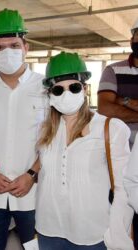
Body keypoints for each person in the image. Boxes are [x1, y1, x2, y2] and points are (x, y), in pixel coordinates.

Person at [36, 51, 133, 249]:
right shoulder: (44, 131)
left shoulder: (111, 128)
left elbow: (123, 189)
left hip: (92, 234)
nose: (66, 94)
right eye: (58, 90)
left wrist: (117, 233)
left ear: (85, 89)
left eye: (73, 87)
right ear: (49, 95)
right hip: (48, 230)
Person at [0, 8, 47, 249]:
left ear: (26, 48)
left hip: (34, 194)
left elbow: (55, 139)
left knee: (36, 247)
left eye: (14, 45)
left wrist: (32, 174)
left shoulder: (46, 88)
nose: (7, 52)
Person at [98, 18, 138, 248]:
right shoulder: (113, 70)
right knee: (119, 227)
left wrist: (125, 101)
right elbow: (105, 108)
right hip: (119, 164)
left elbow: (115, 106)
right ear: (132, 38)